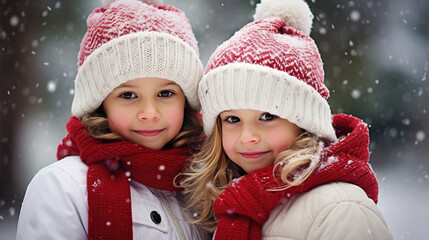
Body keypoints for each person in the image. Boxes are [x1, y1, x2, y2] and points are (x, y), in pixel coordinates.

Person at [180, 0, 393, 239]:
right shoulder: (224, 204)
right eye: (232, 119)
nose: (247, 136)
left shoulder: (341, 209)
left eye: (267, 116)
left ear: (305, 124)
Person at [16, 0, 207, 239]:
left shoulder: (206, 183)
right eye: (128, 95)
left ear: (186, 101)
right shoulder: (64, 187)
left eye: (165, 93)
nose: (149, 112)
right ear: (100, 103)